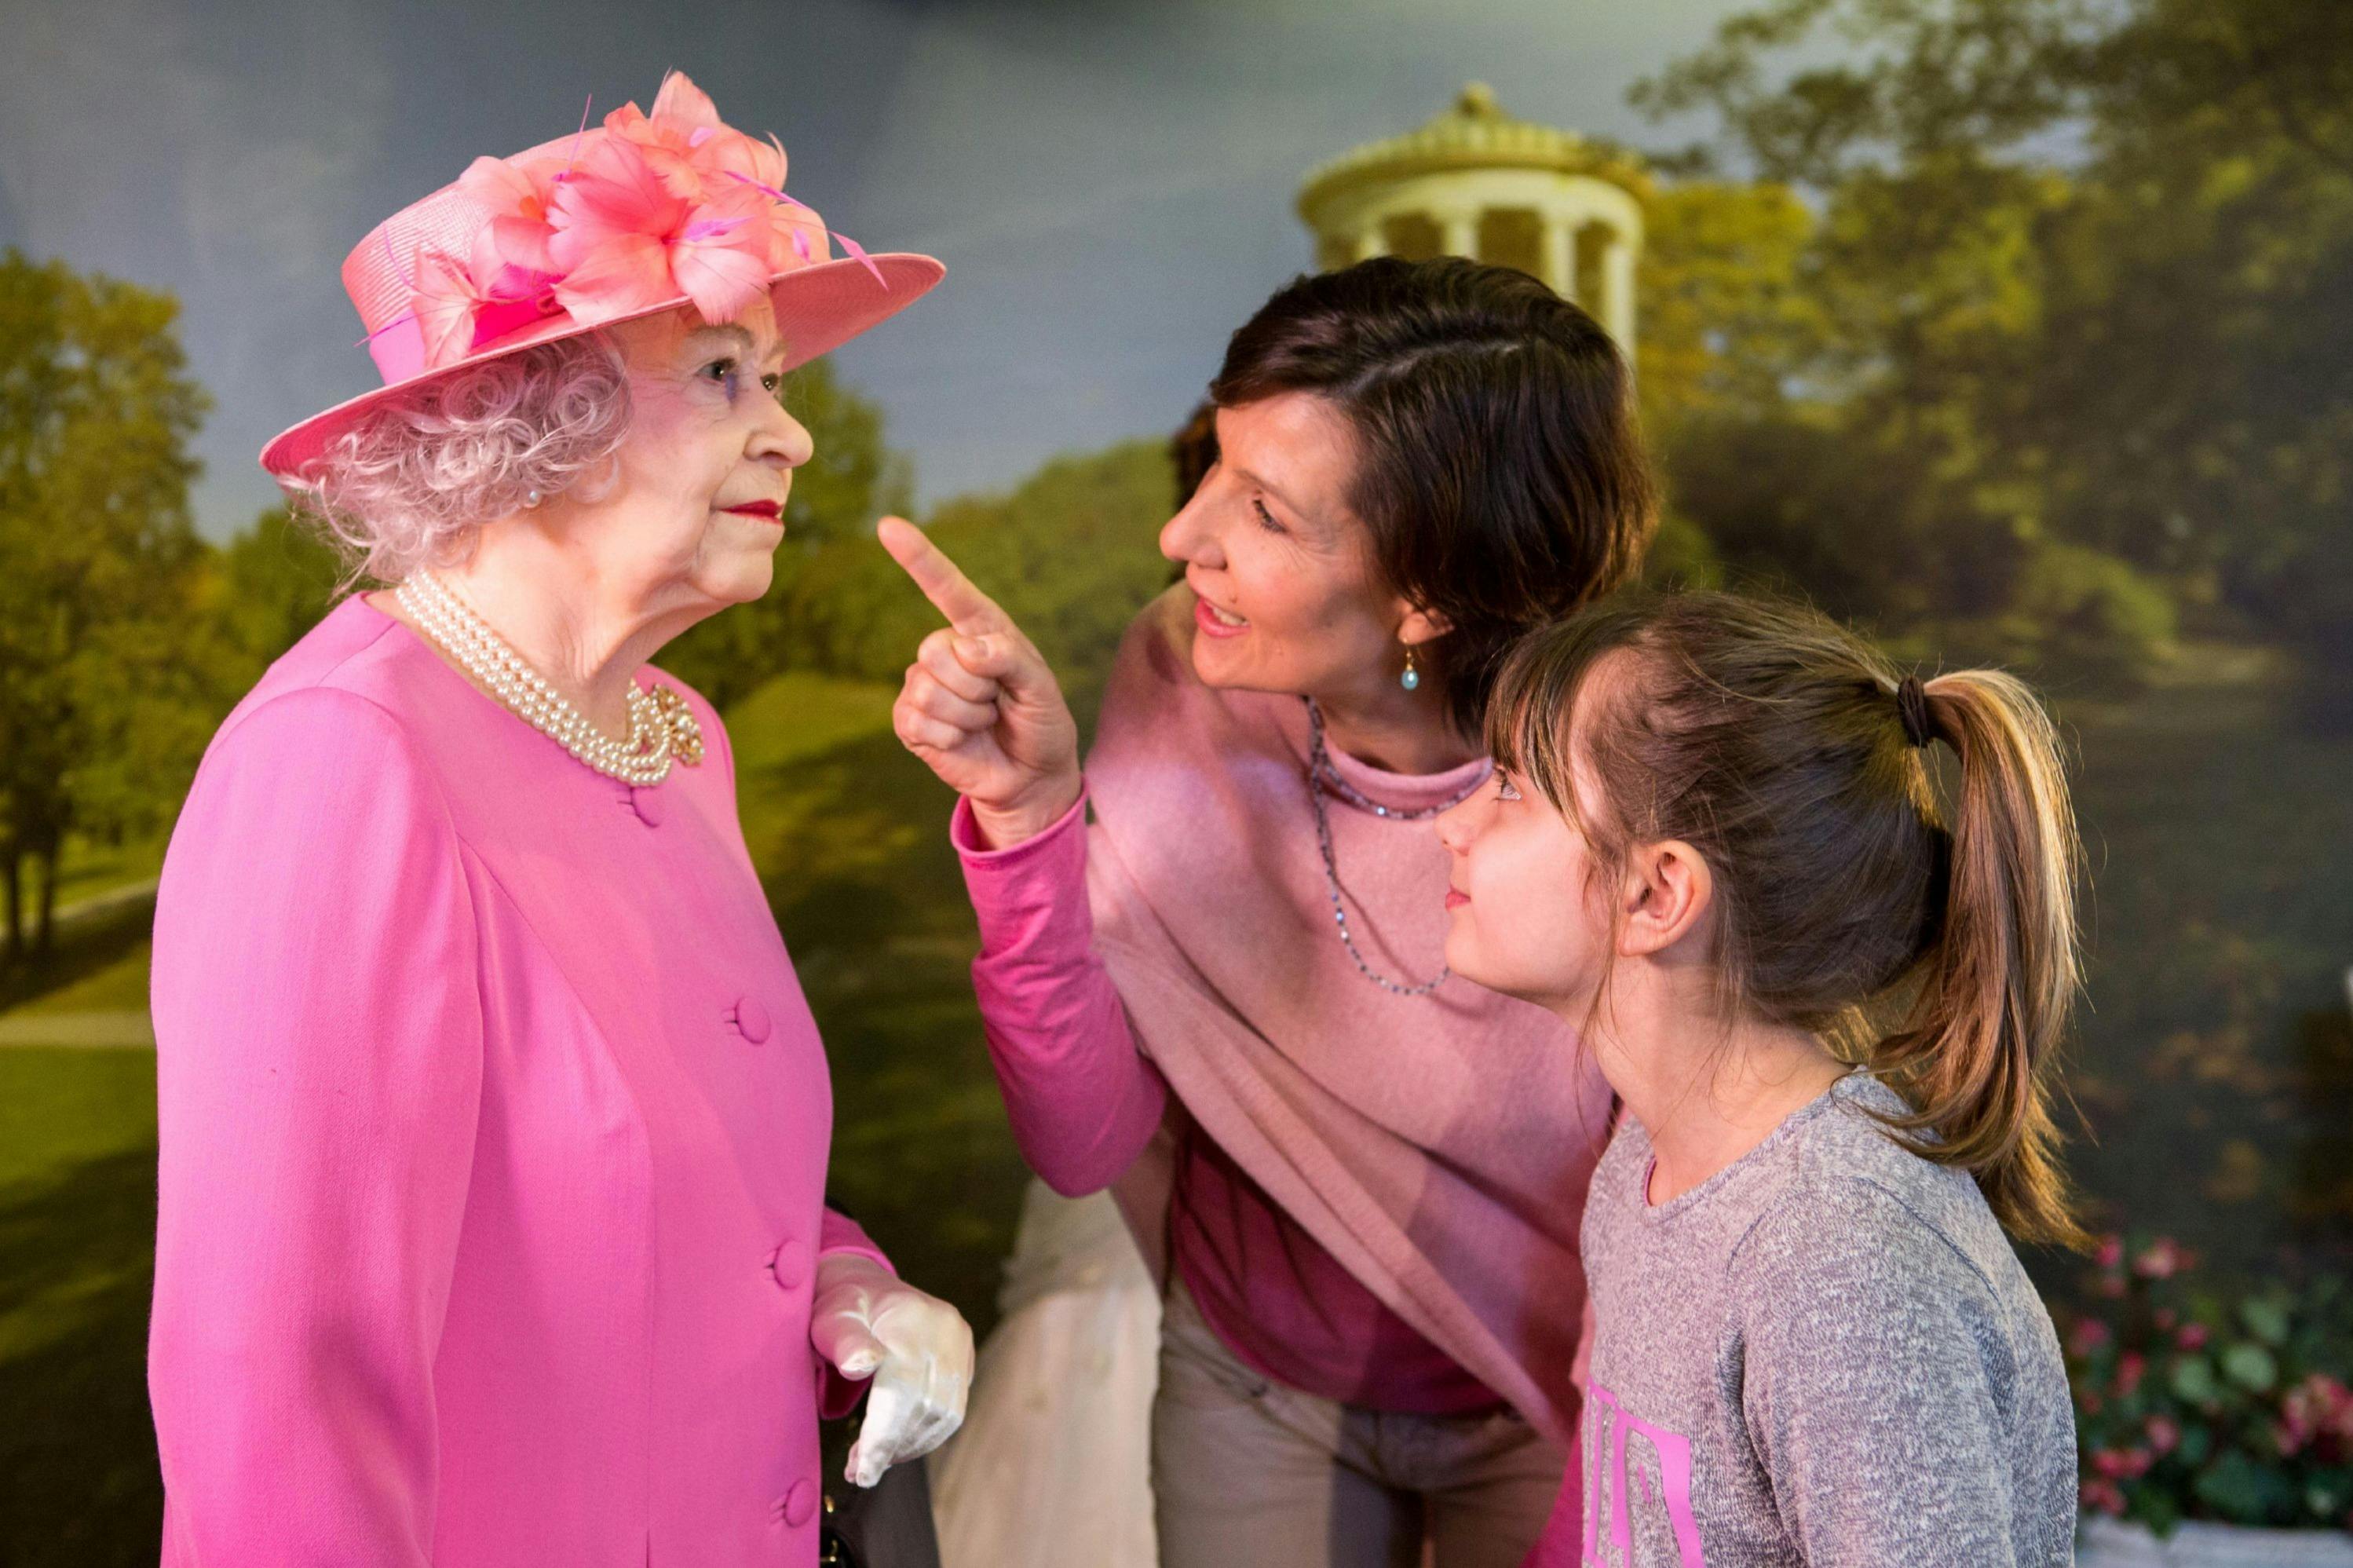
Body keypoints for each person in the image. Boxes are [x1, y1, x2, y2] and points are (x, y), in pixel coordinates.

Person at [147, 73, 972, 1568]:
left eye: (775, 381)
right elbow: (282, 1405)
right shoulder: (341, 764)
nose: (790, 437)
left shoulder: (676, 736)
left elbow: (661, 1186)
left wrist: (848, 1284)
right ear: (531, 415)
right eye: (725, 374)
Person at [885, 257, 1657, 1566]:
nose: (1183, 538)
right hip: (1253, 1380)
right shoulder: (1176, 668)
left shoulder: (1626, 778)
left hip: (1559, 1396)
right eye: (1213, 470)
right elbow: (1080, 1142)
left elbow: (1683, 1196)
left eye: (1264, 511)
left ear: (1424, 594)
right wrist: (1028, 819)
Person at [1436, 590, 2083, 1566]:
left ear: (1656, 893)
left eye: (1514, 787)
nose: (1453, 822)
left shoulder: (1839, 1260)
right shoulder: (1646, 1165)